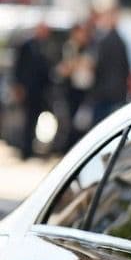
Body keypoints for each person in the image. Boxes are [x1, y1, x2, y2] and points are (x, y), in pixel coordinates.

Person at [12, 20, 52, 160]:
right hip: (28, 89)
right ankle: (25, 149)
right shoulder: (27, 45)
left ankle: (31, 147)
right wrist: (18, 86)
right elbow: (18, 67)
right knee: (27, 120)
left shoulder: (45, 46)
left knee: (35, 120)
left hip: (40, 91)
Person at [89, 6, 131, 126]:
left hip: (104, 94)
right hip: (117, 93)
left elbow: (98, 67)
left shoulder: (103, 41)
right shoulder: (121, 42)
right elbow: (126, 68)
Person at [57, 21, 96, 148]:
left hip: (85, 89)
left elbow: (90, 65)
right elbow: (66, 68)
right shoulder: (70, 47)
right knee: (72, 122)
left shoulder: (88, 47)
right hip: (72, 90)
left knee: (82, 122)